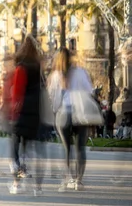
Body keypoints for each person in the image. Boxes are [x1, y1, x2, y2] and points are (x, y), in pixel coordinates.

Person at [49, 47, 94, 192]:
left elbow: (54, 98)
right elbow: (89, 91)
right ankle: (78, 181)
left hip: (64, 115)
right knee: (80, 148)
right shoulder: (80, 72)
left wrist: (56, 111)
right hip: (80, 114)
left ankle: (68, 178)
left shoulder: (56, 75)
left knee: (67, 149)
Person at [9, 36, 45, 196]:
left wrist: (13, 111)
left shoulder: (21, 67)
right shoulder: (37, 67)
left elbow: (18, 91)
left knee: (14, 147)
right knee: (28, 147)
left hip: (23, 111)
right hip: (36, 111)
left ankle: (17, 184)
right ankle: (37, 188)